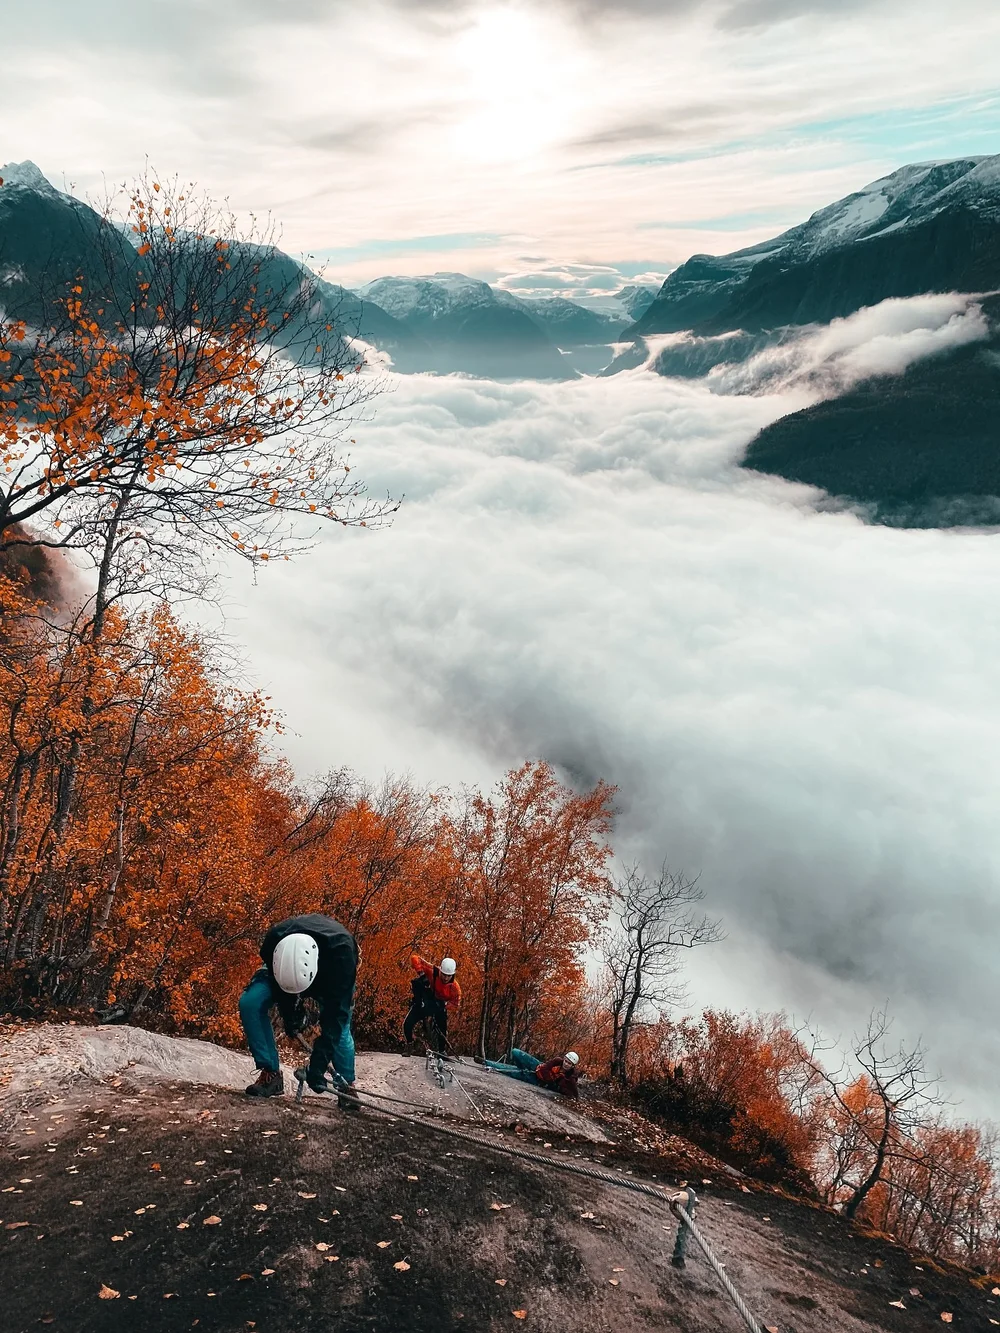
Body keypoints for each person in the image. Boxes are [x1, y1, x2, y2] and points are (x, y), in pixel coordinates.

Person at [239, 913, 358, 1109]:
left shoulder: (343, 956)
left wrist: (318, 1066)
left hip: (332, 969)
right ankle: (271, 1074)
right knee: (251, 1003)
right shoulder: (273, 942)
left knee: (341, 1029)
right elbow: (280, 987)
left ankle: (346, 1085)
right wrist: (290, 1016)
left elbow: (335, 1020)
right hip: (286, 963)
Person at [403, 954, 461, 1054]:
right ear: (440, 970)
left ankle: (442, 1051)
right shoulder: (433, 971)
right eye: (443, 974)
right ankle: (409, 1044)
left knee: (442, 1028)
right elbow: (414, 958)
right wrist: (422, 975)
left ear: (453, 975)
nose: (446, 978)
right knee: (407, 1024)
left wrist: (444, 1005)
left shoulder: (455, 988)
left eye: (448, 975)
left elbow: (455, 1004)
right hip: (426, 999)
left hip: (439, 1006)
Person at [482, 1048, 581, 1099]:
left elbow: (572, 1091)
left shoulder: (570, 1077)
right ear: (564, 1059)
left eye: (569, 1063)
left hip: (537, 1081)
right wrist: (548, 1076)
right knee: (515, 1052)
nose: (566, 1064)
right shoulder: (557, 1061)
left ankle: (485, 1062)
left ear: (572, 1066)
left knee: (510, 1071)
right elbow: (545, 1067)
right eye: (566, 1061)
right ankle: (520, 1068)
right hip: (538, 1067)